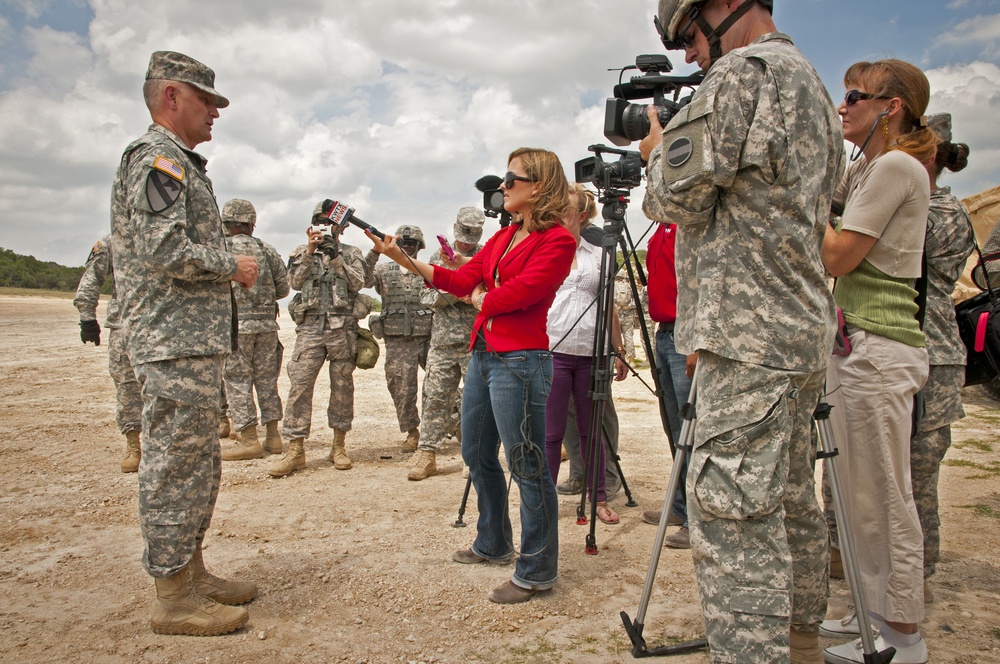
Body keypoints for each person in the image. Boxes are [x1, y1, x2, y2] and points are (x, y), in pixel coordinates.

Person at [640, 1, 844, 661]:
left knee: (732, 522)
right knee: (789, 504)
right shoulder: (808, 80)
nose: (690, 54)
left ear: (726, 6)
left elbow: (676, 196)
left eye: (690, 35)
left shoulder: (740, 75)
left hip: (745, 337)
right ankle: (802, 642)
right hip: (796, 333)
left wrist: (652, 155)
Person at [367, 148, 576, 604]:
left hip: (520, 360)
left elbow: (520, 294)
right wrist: (401, 257)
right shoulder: (502, 238)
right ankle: (493, 542)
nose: (502, 186)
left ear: (538, 186)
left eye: (511, 179)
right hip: (484, 355)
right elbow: (460, 281)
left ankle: (538, 569)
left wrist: (485, 296)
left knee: (526, 464)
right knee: (476, 453)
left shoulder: (558, 240)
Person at [110, 50, 260, 636]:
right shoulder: (157, 159)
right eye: (206, 101)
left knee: (197, 463)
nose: (215, 113)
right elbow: (163, 249)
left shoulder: (181, 163)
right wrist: (233, 265)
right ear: (172, 96)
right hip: (172, 342)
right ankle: (172, 596)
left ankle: (191, 573)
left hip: (188, 343)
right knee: (175, 465)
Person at [819, 59, 937, 664]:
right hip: (858, 347)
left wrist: (802, 201)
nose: (843, 106)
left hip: (878, 350)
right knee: (859, 496)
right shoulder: (870, 167)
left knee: (885, 496)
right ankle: (872, 616)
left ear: (890, 107)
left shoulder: (894, 165)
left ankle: (903, 635)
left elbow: (838, 255)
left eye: (854, 96)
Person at [910, 114, 975, 605]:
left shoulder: (939, 213)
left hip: (930, 355)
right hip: (914, 350)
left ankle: (917, 575)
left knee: (916, 476)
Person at [543, 184, 628, 524]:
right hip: (553, 350)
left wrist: (619, 350)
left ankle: (600, 498)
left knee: (592, 430)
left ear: (581, 215)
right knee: (551, 432)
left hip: (591, 351)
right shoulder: (546, 250)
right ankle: (544, 501)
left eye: (564, 209)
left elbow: (610, 307)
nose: (556, 215)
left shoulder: (600, 255)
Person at [269, 202, 369, 478]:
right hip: (310, 329)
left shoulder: (351, 253)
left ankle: (338, 446)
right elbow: (294, 283)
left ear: (341, 226)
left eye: (330, 222)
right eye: (319, 222)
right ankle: (296, 449)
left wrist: (336, 258)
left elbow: (357, 284)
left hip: (342, 330)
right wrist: (311, 252)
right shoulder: (302, 252)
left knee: (342, 389)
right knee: (299, 386)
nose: (325, 227)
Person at [408, 207, 486, 481]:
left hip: (476, 343)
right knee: (435, 397)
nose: (467, 241)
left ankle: (474, 455)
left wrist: (473, 292)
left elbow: (494, 294)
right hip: (442, 342)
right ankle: (427, 453)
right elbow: (425, 297)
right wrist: (457, 291)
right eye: (464, 235)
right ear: (454, 229)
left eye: (473, 236)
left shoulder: (487, 257)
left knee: (475, 402)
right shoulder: (437, 258)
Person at [218, 199, 290, 461]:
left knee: (237, 381)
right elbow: (284, 288)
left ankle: (248, 439)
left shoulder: (220, 249)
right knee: (267, 381)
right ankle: (273, 437)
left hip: (236, 328)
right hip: (266, 327)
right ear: (250, 223)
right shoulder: (266, 249)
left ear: (226, 223)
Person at [639, 221, 694, 550]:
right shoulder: (660, 228)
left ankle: (696, 518)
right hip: (664, 332)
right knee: (674, 428)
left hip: (684, 332)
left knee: (691, 430)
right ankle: (679, 505)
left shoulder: (685, 222)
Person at [74, 235, 143, 473]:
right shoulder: (112, 242)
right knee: (126, 385)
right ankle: (134, 444)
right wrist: (87, 318)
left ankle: (163, 446)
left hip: (166, 323)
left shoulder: (170, 235)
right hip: (125, 323)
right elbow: (91, 279)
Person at [365, 225, 433, 453]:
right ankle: (412, 432)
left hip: (428, 337)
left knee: (438, 386)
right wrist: (376, 252)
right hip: (397, 340)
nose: (407, 246)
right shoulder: (383, 271)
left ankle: (442, 428)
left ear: (419, 246)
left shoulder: (427, 270)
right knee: (401, 388)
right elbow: (363, 280)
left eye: (412, 243)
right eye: (403, 242)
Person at [614, 272, 637, 364]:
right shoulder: (629, 286)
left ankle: (617, 358)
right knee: (628, 336)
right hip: (628, 314)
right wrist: (629, 306)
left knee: (615, 337)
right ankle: (631, 359)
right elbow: (636, 299)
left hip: (616, 314)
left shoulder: (613, 286)